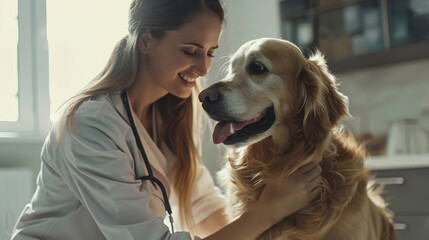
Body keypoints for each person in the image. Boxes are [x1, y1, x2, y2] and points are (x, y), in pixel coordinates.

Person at [11, 0, 322, 239]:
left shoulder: (171, 114)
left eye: (210, 53)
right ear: (146, 41)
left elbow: (205, 207)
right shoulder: (90, 123)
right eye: (190, 50)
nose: (203, 69)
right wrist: (270, 209)